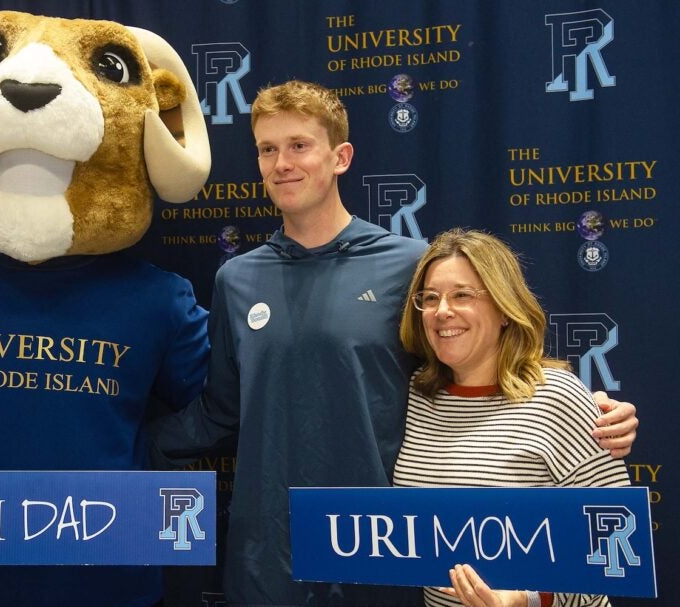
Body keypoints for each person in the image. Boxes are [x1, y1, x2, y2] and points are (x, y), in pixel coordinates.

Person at [149, 80, 638, 607]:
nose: (281, 163)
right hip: (269, 555)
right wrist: (122, 437)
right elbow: (222, 412)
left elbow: (468, 366)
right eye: (267, 149)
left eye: (299, 145)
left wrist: (585, 412)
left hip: (386, 552)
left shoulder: (410, 265)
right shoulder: (236, 279)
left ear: (341, 156)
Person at [393, 229, 630, 607]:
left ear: (504, 309)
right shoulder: (418, 399)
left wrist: (527, 599)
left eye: (462, 295)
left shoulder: (558, 396)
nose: (441, 312)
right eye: (430, 298)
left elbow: (617, 548)